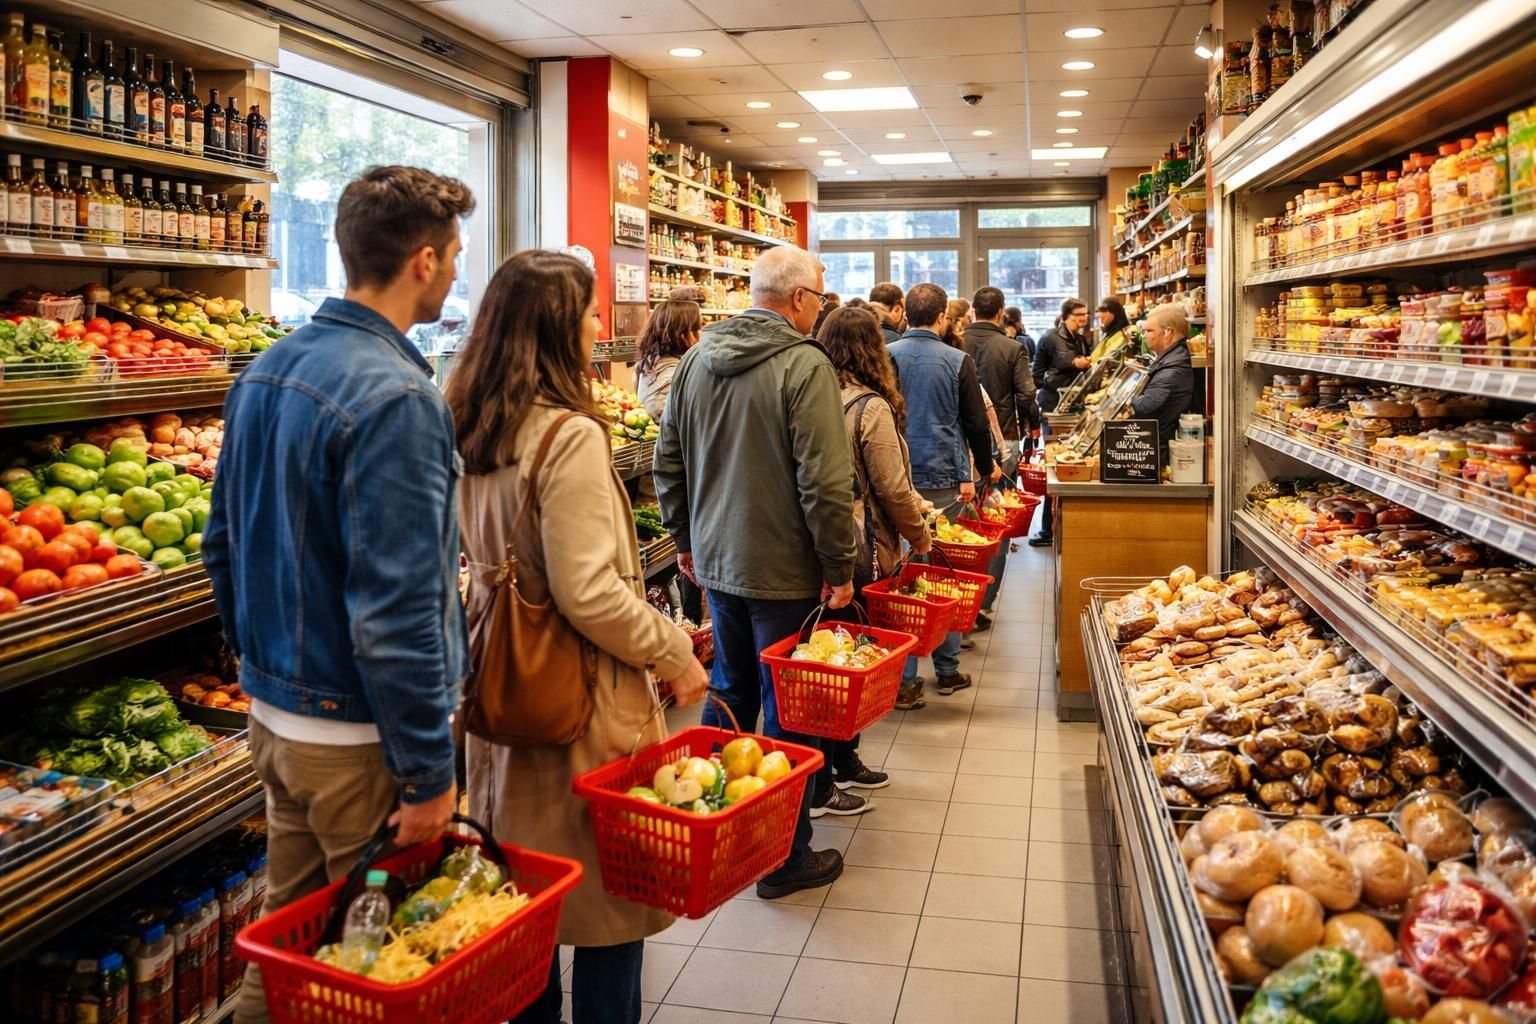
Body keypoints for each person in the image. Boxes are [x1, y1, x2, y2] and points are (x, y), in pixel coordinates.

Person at [205, 167, 474, 1024]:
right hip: (361, 741)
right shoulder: (398, 397)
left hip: (278, 720)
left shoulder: (268, 367)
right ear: (423, 261)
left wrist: (263, 670)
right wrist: (430, 772)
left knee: (288, 944)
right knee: (375, 969)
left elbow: (223, 549)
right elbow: (396, 611)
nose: (459, 273)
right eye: (457, 256)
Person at [446, 251, 709, 1024]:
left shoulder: (472, 426)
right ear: (559, 330)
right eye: (592, 315)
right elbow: (590, 592)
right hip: (581, 705)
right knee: (608, 906)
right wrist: (674, 650)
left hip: (501, 687)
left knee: (527, 911)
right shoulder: (569, 437)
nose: (602, 328)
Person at [654, 244, 856, 900]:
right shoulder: (804, 365)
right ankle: (782, 855)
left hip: (716, 560)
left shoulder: (693, 361)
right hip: (784, 568)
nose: (821, 309)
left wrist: (686, 537)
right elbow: (824, 483)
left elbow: (667, 459)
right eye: (819, 298)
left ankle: (713, 823)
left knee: (730, 691)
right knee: (787, 708)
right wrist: (838, 564)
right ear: (797, 299)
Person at [820, 304, 934, 726]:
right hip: (864, 543)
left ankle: (835, 746)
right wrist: (919, 534)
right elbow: (891, 487)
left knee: (828, 650)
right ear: (874, 350)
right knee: (859, 645)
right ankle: (846, 749)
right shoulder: (871, 407)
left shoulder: (813, 395)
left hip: (820, 540)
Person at [887, 283, 997, 698]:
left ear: (904, 315)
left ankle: (904, 680)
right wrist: (982, 470)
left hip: (896, 478)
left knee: (903, 579)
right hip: (944, 479)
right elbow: (974, 423)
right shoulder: (957, 360)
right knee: (944, 574)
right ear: (941, 318)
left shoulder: (887, 356)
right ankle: (947, 669)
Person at [963, 286, 1037, 622]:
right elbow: (1026, 392)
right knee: (996, 522)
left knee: (963, 524)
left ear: (973, 310)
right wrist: (1032, 429)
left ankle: (960, 601)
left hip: (960, 445)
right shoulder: (1011, 347)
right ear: (1001, 311)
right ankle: (983, 603)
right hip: (1001, 440)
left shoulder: (954, 342)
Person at [636, 299, 705, 625]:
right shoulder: (675, 374)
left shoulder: (650, 367)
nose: (702, 334)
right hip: (665, 487)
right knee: (683, 571)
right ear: (684, 333)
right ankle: (688, 627)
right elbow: (677, 439)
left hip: (655, 485)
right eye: (697, 327)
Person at [1029, 298, 1091, 547]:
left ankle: (1057, 527)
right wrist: (1074, 365)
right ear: (1066, 315)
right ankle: (1047, 529)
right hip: (1055, 405)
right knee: (1053, 467)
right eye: (1079, 314)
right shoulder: (1053, 337)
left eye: (1086, 314)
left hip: (1071, 404)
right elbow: (1048, 369)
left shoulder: (1079, 337)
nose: (1083, 318)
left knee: (1059, 466)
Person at [1130, 302, 1196, 462]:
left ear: (1168, 332)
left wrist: (1129, 400)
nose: (1144, 336)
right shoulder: (1171, 359)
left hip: (1159, 451)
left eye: (1149, 331)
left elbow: (1147, 406)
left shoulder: (1172, 368)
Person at [1090, 297, 1134, 362]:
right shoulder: (1110, 333)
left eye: (1104, 310)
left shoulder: (1123, 334)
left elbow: (1107, 360)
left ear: (1114, 313)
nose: (1100, 315)